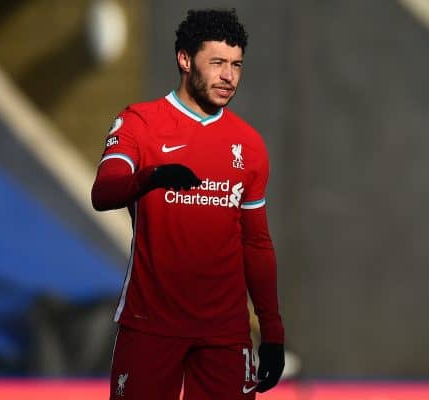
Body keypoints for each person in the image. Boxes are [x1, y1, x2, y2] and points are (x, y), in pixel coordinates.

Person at [91, 8, 285, 400]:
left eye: (236, 65)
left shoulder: (248, 145)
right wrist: (152, 177)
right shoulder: (139, 124)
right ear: (184, 59)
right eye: (217, 63)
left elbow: (256, 244)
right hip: (151, 325)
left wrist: (272, 332)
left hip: (225, 335)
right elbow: (104, 192)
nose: (229, 76)